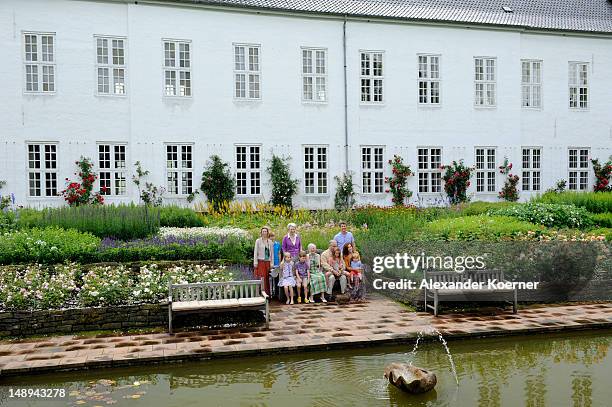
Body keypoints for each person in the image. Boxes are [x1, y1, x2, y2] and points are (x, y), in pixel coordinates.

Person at [253, 226, 274, 295]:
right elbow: (255, 252)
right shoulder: (258, 241)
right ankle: (262, 293)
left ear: (267, 233)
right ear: (261, 233)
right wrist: (255, 262)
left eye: (266, 231)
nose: (264, 233)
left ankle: (268, 294)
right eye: (263, 231)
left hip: (268, 262)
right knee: (262, 277)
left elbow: (272, 253)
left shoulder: (270, 242)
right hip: (260, 261)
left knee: (267, 278)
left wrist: (272, 263)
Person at [269, 231, 282, 298]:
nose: (272, 237)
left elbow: (279, 253)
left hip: (276, 263)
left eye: (273, 236)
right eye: (270, 236)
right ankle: (270, 292)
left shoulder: (277, 244)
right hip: (270, 263)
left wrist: (279, 262)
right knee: (270, 279)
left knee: (276, 278)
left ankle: (276, 293)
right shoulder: (267, 244)